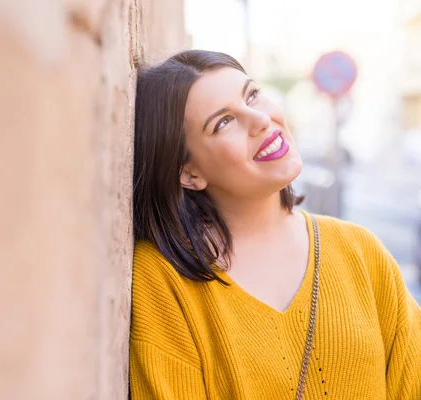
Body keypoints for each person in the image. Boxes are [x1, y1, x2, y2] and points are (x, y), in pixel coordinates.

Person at [130, 49, 421, 399]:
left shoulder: (361, 251)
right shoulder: (162, 279)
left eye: (252, 95)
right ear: (189, 173)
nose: (260, 120)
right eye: (223, 122)